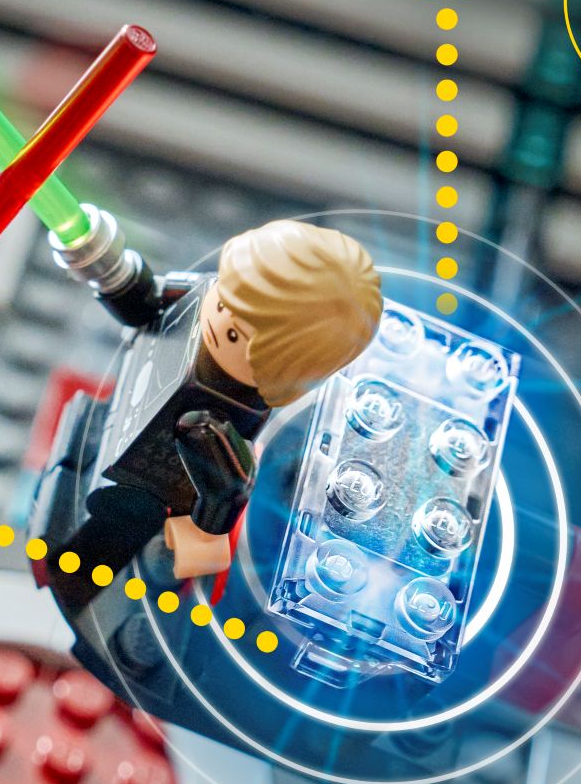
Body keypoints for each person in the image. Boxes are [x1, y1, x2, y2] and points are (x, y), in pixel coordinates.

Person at [50, 220, 382, 605]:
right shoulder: (201, 297)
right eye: (225, 295)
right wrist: (110, 273)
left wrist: (202, 537)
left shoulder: (206, 421)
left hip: (132, 495)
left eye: (236, 333)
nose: (218, 312)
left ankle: (72, 583)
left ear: (281, 369)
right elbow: (145, 302)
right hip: (111, 427)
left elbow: (227, 486)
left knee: (89, 553)